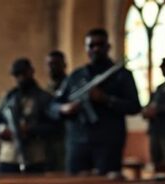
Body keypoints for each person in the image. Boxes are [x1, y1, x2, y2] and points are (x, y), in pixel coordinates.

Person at [51, 28, 142, 175]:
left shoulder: (121, 75)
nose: (96, 49)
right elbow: (52, 106)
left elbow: (135, 107)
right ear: (86, 48)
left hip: (109, 144)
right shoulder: (76, 76)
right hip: (78, 142)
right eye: (91, 45)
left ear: (108, 47)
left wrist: (106, 99)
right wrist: (64, 108)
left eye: (100, 45)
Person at [0, 58, 56, 173]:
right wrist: (1, 129)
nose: (20, 78)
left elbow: (53, 126)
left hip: (35, 157)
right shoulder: (8, 97)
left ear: (31, 72)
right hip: (9, 156)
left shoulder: (44, 98)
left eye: (23, 74)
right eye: (17, 75)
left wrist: (30, 130)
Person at [44, 50, 68, 171]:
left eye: (56, 64)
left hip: (66, 139)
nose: (52, 68)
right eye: (49, 64)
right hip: (48, 141)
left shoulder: (70, 85)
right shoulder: (46, 89)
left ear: (64, 65)